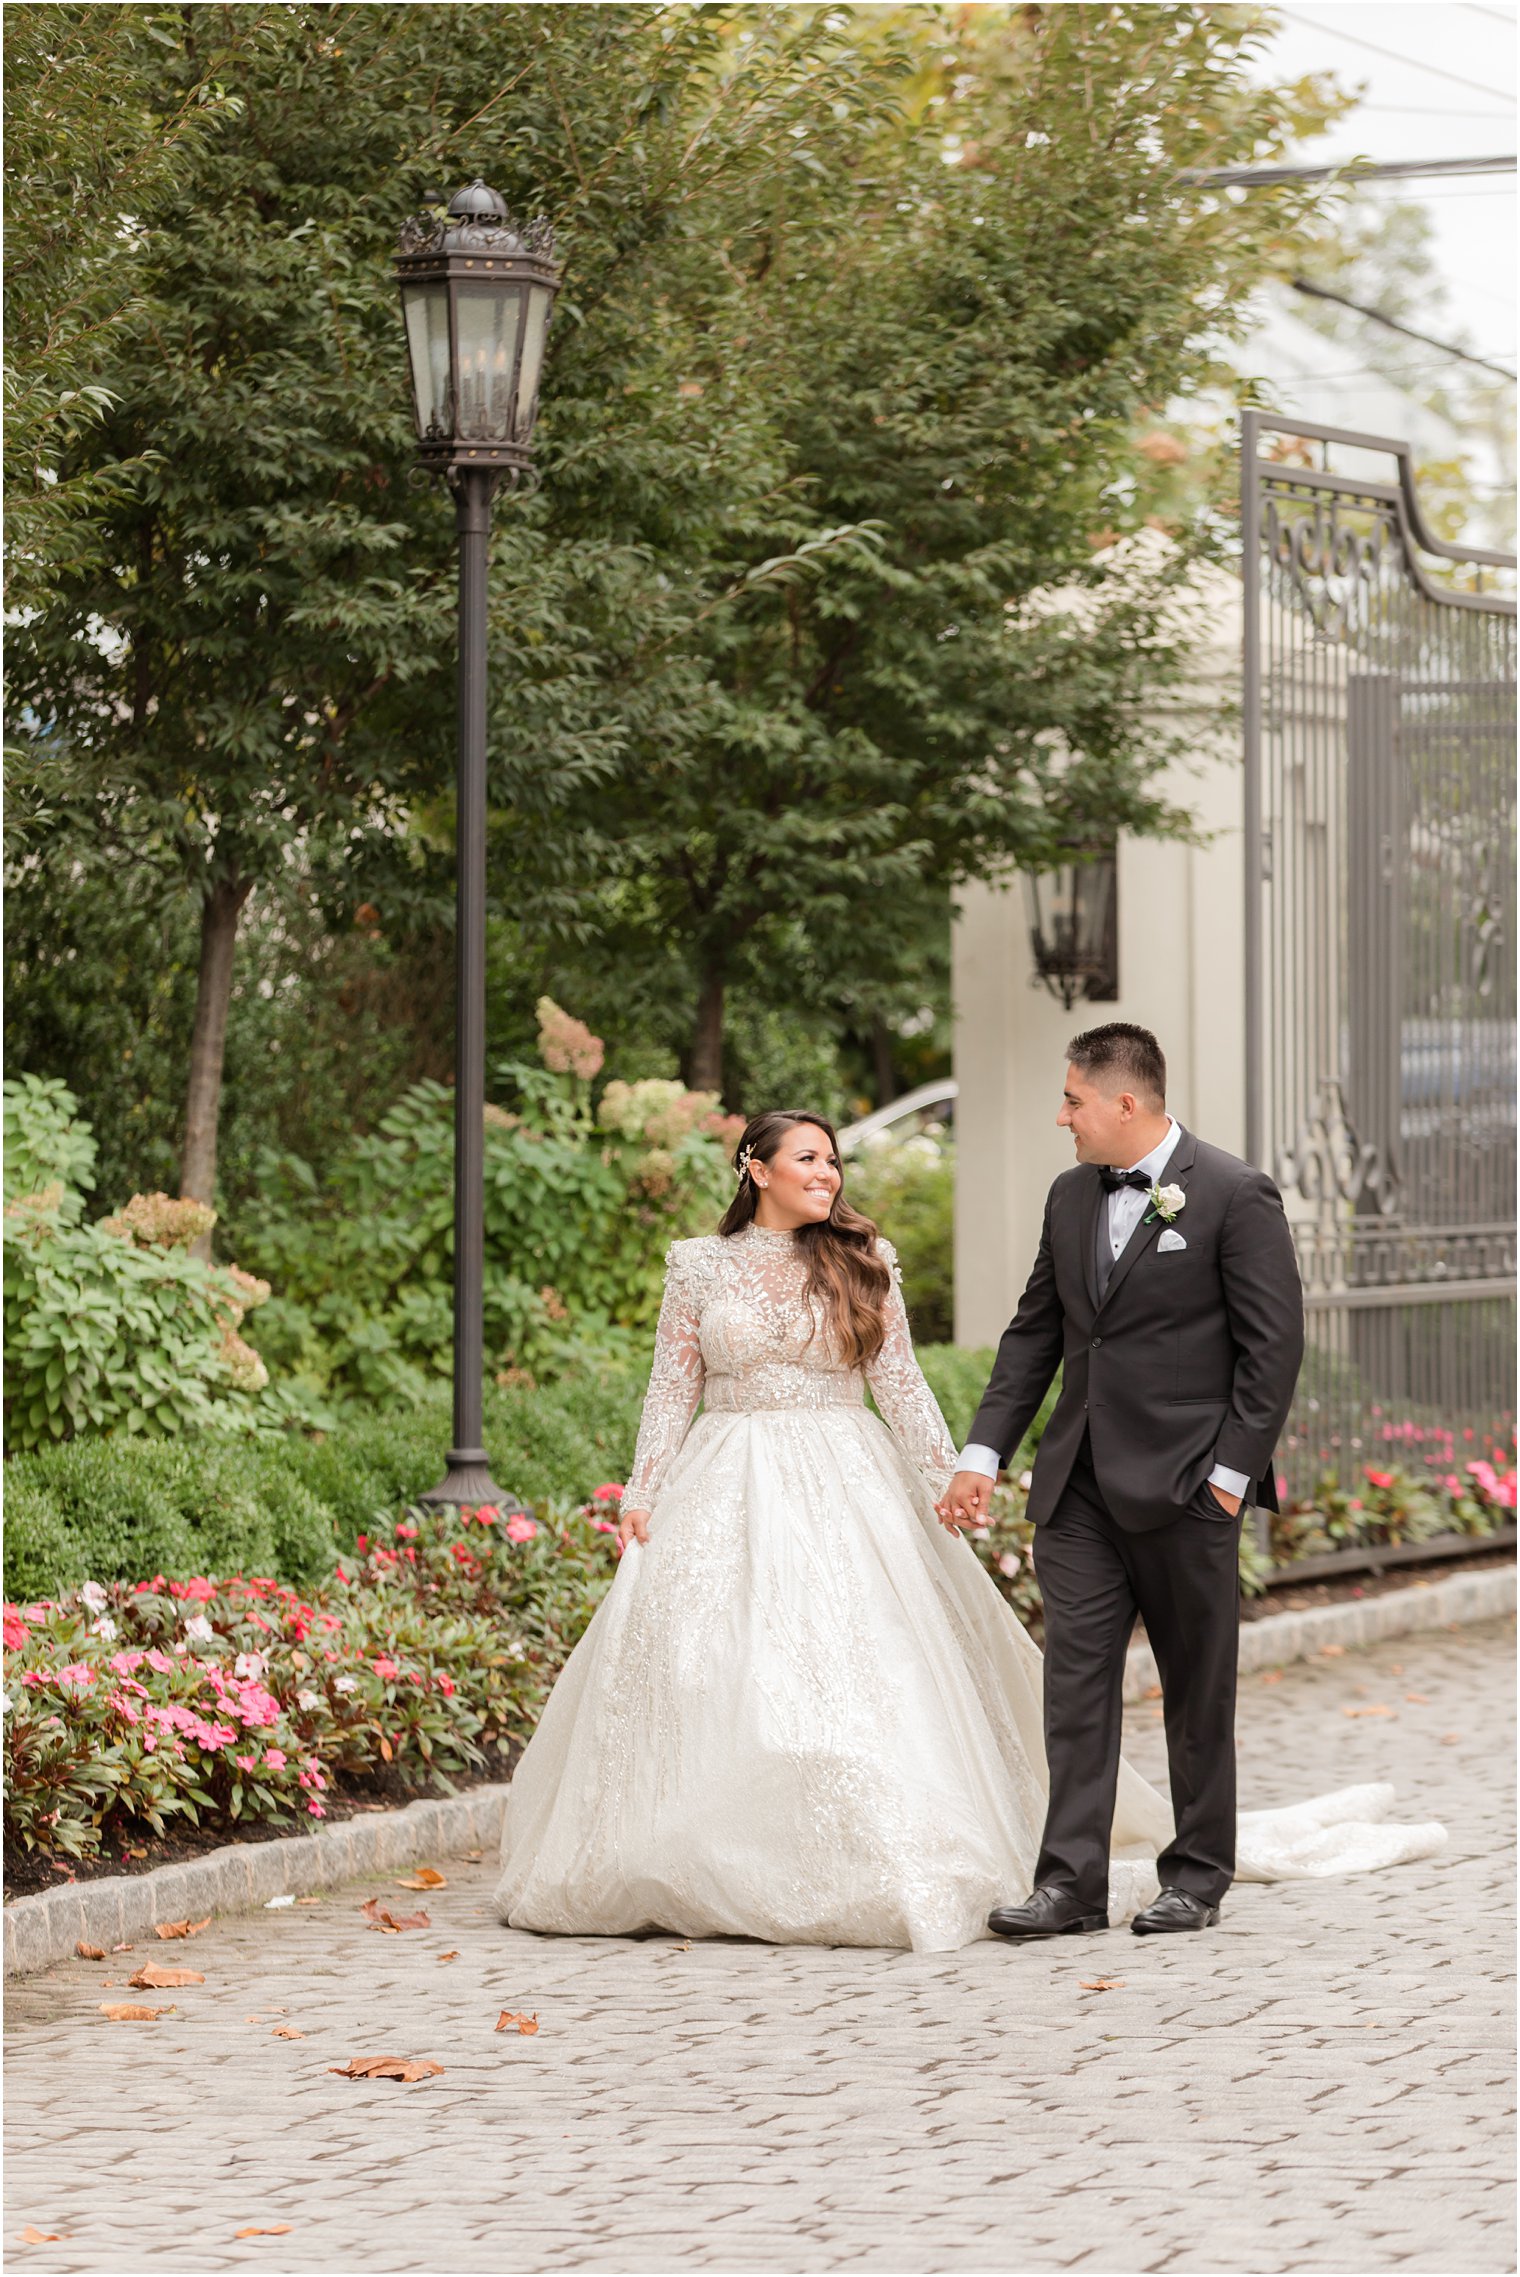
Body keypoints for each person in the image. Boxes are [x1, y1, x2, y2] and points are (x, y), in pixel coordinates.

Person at [495, 1095, 1444, 1954]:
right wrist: (644, 1485)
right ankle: (696, 1847)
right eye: (810, 1160)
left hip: (844, 1477)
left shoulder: (862, 1258)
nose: (827, 1176)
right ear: (755, 1166)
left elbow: (900, 1384)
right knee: (715, 1660)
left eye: (834, 1163)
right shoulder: (698, 1267)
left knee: (855, 1662)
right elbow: (673, 1384)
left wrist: (951, 1477)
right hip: (726, 1478)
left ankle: (1007, 1859)